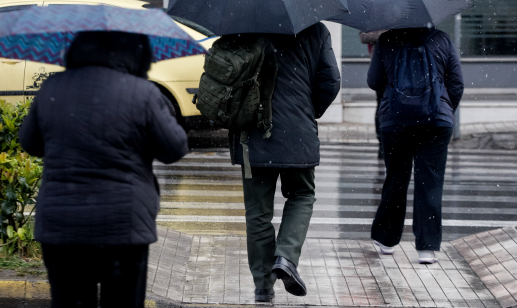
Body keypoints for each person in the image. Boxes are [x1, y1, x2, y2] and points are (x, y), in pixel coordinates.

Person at [19, 31, 188, 308]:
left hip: (63, 228)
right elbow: (174, 148)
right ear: (134, 52)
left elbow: (30, 143)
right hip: (123, 228)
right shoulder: (142, 93)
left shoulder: (53, 88)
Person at [229, 23, 341, 302]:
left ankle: (263, 287)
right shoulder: (314, 30)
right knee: (302, 195)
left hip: (251, 134)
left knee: (258, 214)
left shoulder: (240, 27)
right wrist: (307, 109)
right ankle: (286, 257)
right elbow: (330, 81)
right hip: (297, 133)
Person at [367, 27, 463, 264]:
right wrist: (443, 108)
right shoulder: (441, 38)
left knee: (396, 177)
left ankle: (387, 240)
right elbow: (457, 83)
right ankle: (427, 248)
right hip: (436, 122)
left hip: (395, 120)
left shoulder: (386, 40)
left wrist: (396, 96)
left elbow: (373, 81)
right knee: (429, 181)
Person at [359, 30, 387, 158]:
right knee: (381, 105)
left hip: (398, 68)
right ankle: (382, 142)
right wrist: (385, 33)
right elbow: (364, 36)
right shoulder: (376, 15)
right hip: (381, 68)